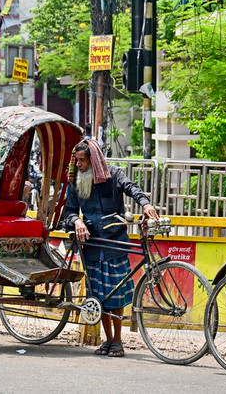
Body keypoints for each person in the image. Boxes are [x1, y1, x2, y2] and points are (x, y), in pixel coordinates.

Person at [63, 139, 158, 358]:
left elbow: (132, 188)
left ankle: (118, 341)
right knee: (100, 297)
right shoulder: (76, 181)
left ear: (93, 160)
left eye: (82, 160)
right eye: (76, 160)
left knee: (116, 296)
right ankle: (108, 340)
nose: (78, 164)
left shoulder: (114, 174)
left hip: (115, 243)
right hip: (93, 245)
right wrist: (77, 222)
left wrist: (146, 203)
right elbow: (69, 212)